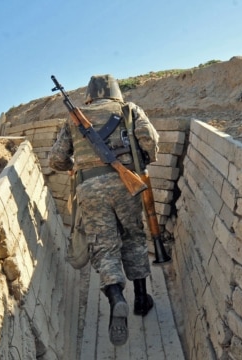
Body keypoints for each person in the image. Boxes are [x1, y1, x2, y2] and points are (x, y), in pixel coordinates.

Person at [48, 74, 160, 346]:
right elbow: (150, 140)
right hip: (126, 184)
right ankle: (142, 299)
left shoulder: (74, 118)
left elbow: (56, 159)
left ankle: (116, 297)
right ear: (115, 91)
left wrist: (77, 166)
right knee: (134, 238)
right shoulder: (128, 110)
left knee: (104, 246)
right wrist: (142, 161)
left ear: (90, 94)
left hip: (89, 188)